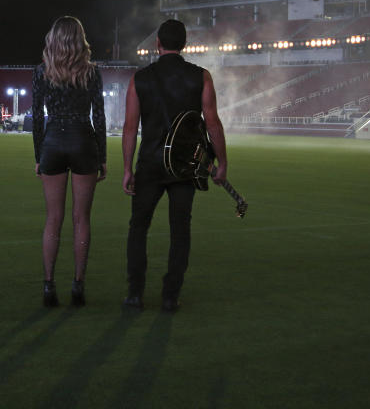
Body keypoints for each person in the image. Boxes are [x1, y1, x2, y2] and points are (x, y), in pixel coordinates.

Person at [121, 19, 227, 312]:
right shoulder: (201, 76)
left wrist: (128, 168)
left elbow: (130, 128)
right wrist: (222, 162)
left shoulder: (139, 79)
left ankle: (134, 294)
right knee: (180, 230)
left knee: (138, 228)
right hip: (184, 167)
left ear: (157, 44)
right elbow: (213, 124)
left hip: (150, 165)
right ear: (185, 45)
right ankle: (170, 296)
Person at [32, 16, 107, 307]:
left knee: (53, 219)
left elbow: (38, 118)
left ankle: (49, 285)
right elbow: (98, 116)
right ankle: (78, 285)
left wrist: (39, 156)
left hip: (52, 141)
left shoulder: (42, 72)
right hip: (83, 140)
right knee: (81, 219)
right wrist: (102, 157)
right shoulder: (91, 73)